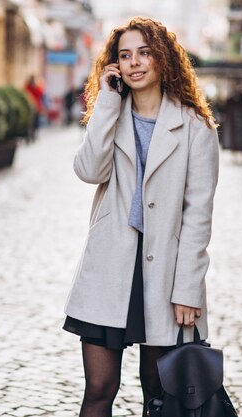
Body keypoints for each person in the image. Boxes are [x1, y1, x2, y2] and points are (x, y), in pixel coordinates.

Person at [62, 17, 219, 417]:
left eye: (144, 53)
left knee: (159, 393)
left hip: (166, 276)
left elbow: (198, 216)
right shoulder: (112, 115)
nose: (134, 63)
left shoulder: (195, 128)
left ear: (163, 59)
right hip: (109, 267)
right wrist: (107, 103)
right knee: (98, 389)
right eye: (125, 55)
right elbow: (88, 170)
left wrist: (187, 288)